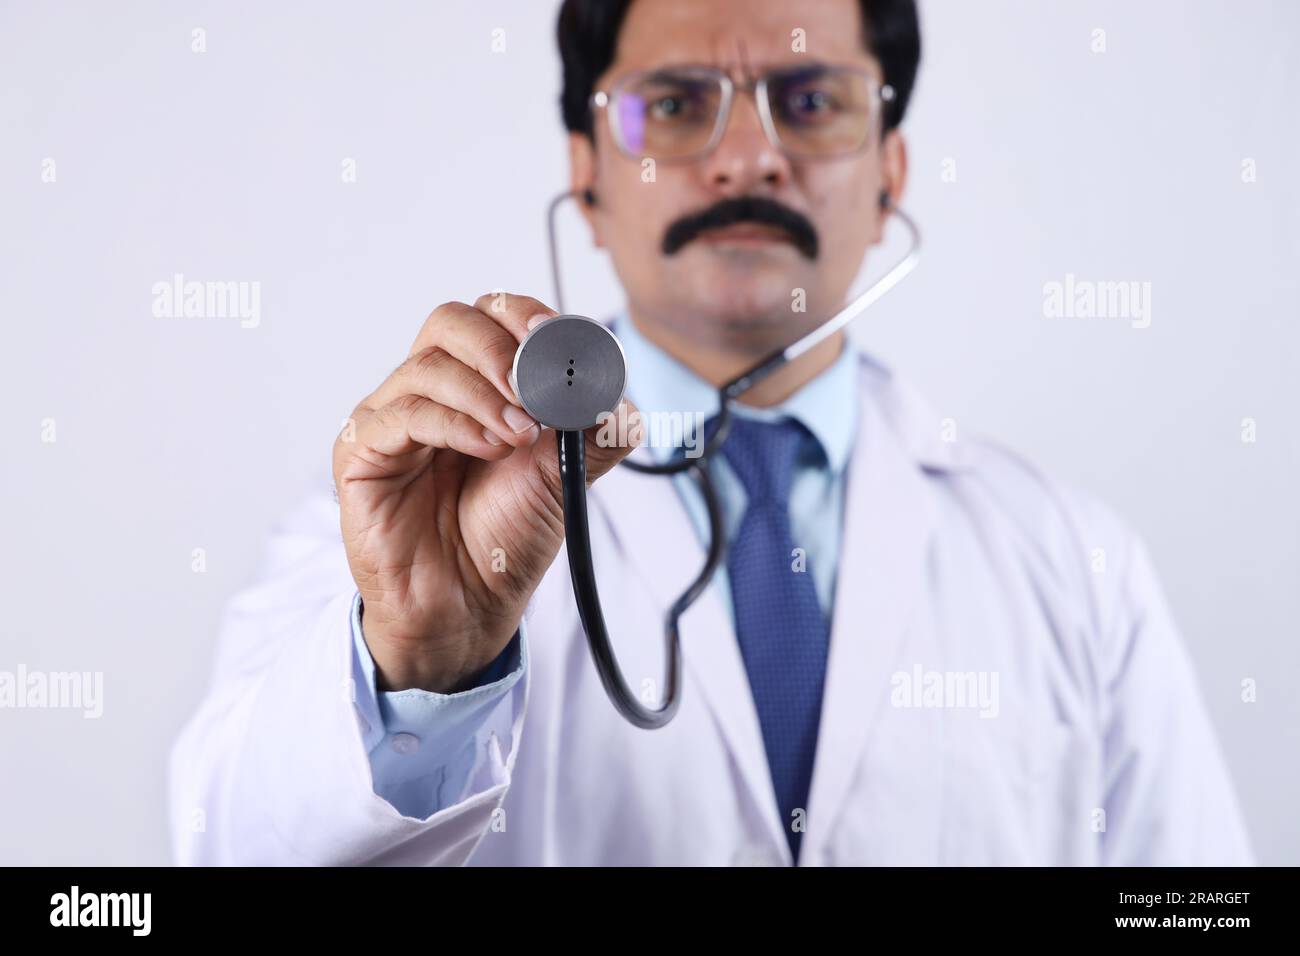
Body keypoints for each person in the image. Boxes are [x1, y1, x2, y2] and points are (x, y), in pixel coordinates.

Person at [168, 0, 1253, 866]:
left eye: (809, 98)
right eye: (678, 105)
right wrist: (419, 660)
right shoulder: (398, 533)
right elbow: (225, 845)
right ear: (585, 175)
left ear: (890, 174)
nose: (746, 158)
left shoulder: (1071, 558)